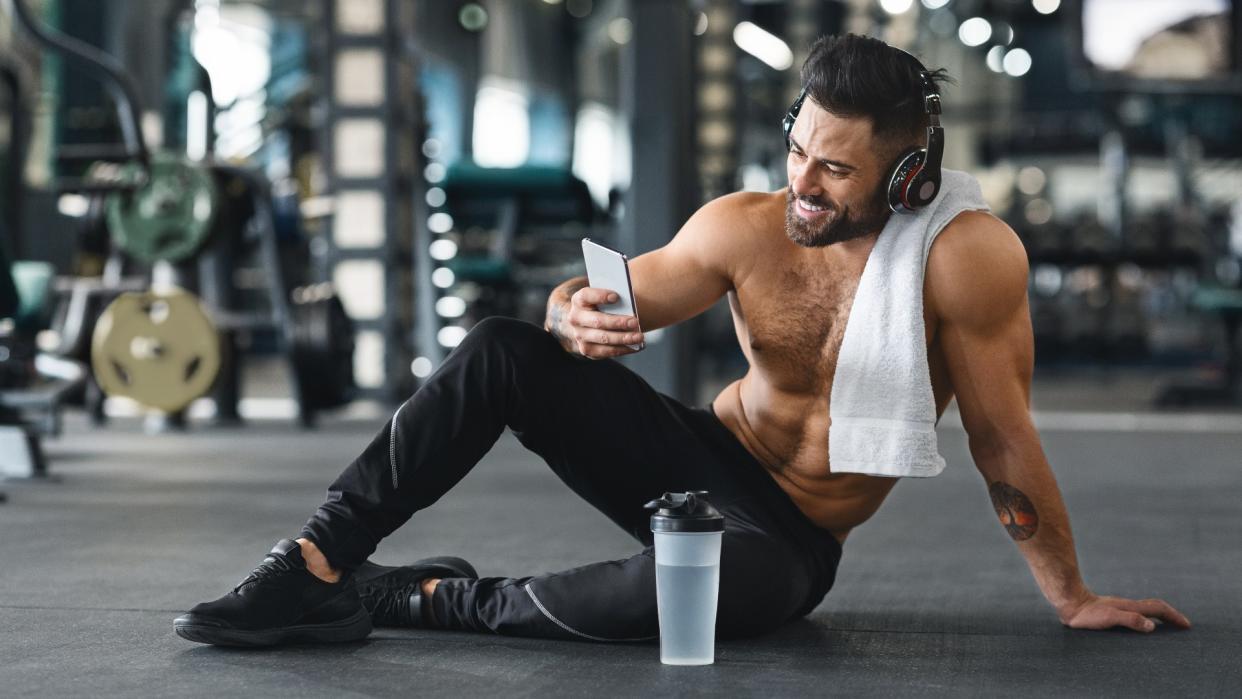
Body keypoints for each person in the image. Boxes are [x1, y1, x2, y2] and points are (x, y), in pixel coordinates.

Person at [174, 34, 1190, 647]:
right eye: (798, 149)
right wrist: (573, 306)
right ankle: (314, 564)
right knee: (499, 345)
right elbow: (627, 295)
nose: (803, 182)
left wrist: (1073, 598)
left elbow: (1002, 438)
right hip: (698, 458)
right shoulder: (743, 223)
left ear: (909, 176)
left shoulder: (968, 259)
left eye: (835, 170)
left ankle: (414, 597)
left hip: (789, 536)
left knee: (735, 592)